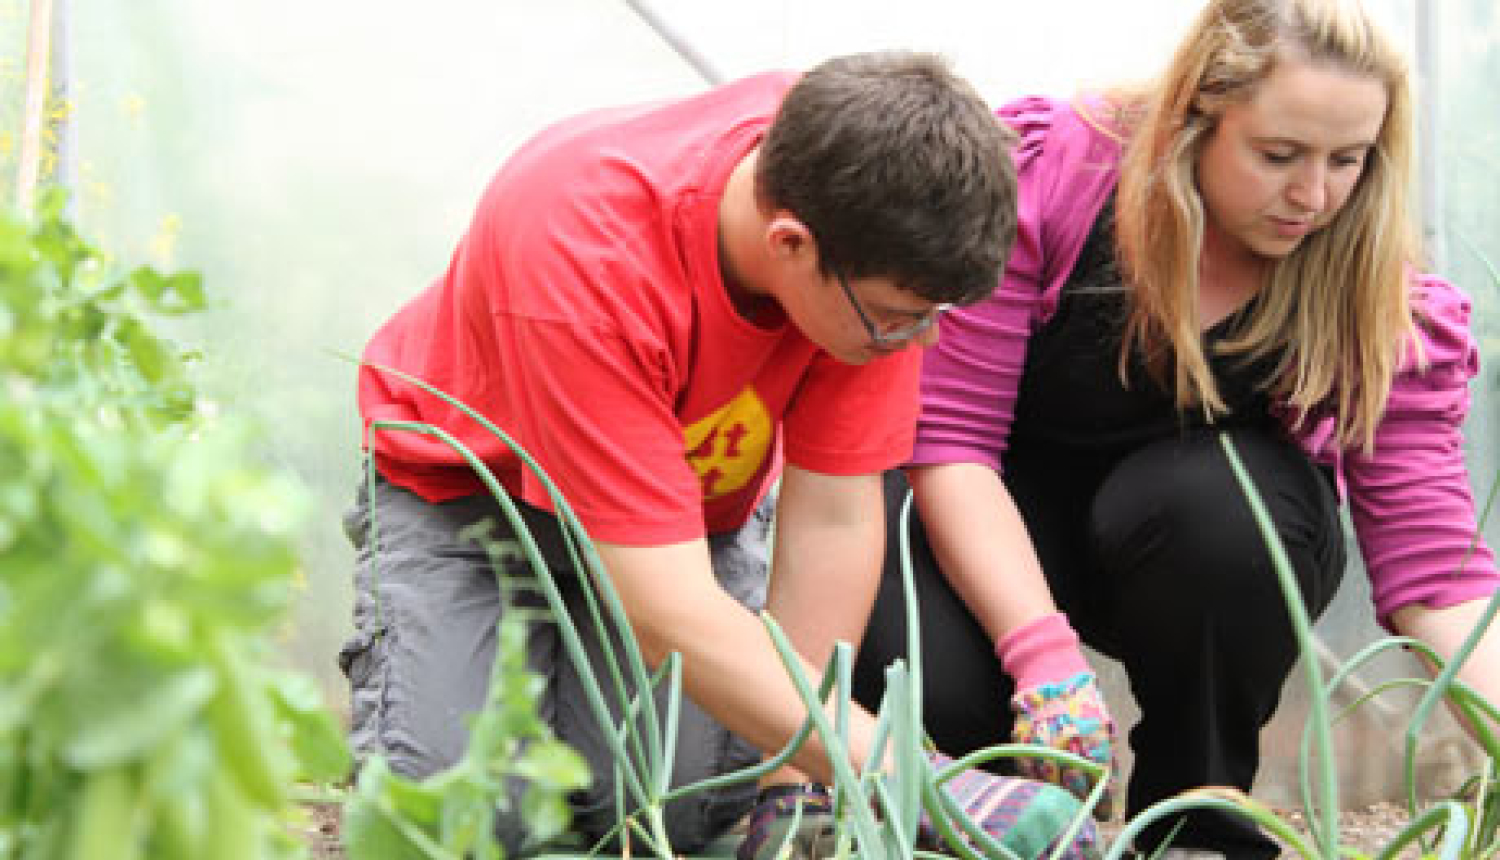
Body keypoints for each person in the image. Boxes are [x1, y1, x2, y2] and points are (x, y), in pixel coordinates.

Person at [342, 50, 1101, 860]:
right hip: (472, 505)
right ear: (790, 243)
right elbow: (667, 613)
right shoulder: (586, 244)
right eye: (898, 319)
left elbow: (837, 519)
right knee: (451, 824)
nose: (917, 342)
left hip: (680, 517)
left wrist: (801, 784)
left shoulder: (872, 214)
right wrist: (919, 777)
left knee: (664, 813)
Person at [850, 3, 1500, 859]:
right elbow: (954, 443)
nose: (1313, 195)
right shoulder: (1055, 180)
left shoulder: (1374, 297)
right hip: (990, 517)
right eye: (1278, 156)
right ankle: (992, 826)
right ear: (1196, 115)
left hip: (1189, 553)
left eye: (1348, 161)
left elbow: (1435, 571)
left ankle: (1194, 823)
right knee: (938, 683)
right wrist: (1044, 661)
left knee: (1222, 504)